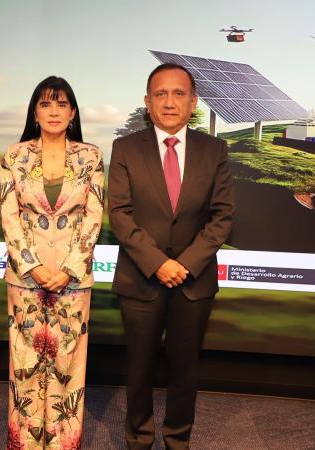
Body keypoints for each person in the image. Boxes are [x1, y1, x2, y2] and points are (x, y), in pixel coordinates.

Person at [107, 63, 234, 450]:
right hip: (140, 279)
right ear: (147, 102)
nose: (169, 102)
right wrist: (158, 263)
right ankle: (138, 440)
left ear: (193, 102)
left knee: (185, 369)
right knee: (139, 369)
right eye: (160, 94)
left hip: (194, 283)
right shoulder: (126, 148)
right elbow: (119, 214)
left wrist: (186, 264)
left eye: (179, 94)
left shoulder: (215, 150)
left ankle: (178, 441)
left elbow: (222, 216)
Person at [0, 76, 104, 449]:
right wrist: (34, 267)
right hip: (25, 279)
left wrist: (69, 269)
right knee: (25, 365)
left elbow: (93, 217)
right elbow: (10, 216)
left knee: (67, 367)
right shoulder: (15, 156)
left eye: (61, 104)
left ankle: (63, 444)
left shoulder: (91, 156)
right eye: (46, 104)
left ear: (73, 113)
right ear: (35, 112)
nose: (54, 111)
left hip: (73, 280)